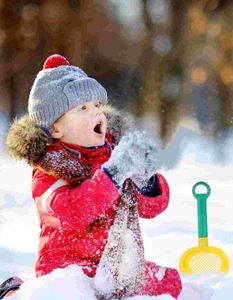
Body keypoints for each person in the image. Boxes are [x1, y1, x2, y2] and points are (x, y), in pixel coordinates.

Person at [4, 54, 182, 299]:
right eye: (83, 108)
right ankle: (17, 292)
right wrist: (114, 174)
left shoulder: (114, 154)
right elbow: (74, 211)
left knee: (171, 284)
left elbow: (151, 208)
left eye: (98, 105)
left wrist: (145, 179)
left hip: (115, 268)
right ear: (56, 128)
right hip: (69, 271)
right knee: (68, 295)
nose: (97, 113)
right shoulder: (47, 172)